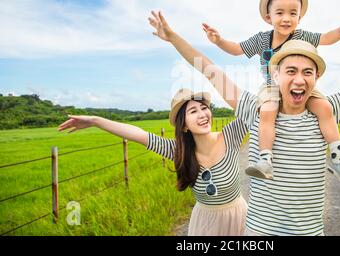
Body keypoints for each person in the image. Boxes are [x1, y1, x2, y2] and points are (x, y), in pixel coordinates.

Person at [148, 9, 340, 235]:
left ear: (316, 79)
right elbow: (209, 69)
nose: (299, 78)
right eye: (290, 70)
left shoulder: (326, 111)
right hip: (260, 232)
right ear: (275, 76)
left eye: (308, 72)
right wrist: (173, 37)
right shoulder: (256, 110)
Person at [202, 0, 340, 183]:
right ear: (269, 17)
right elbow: (236, 49)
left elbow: (326, 38)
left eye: (293, 13)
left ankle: (339, 159)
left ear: (300, 17)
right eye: (280, 13)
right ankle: (265, 159)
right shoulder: (262, 40)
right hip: (272, 86)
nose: (286, 18)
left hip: (302, 85)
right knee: (267, 111)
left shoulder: (302, 36)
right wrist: (218, 41)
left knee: (324, 107)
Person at [58, 88, 249, 236]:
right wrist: (94, 120)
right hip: (205, 223)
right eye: (193, 111)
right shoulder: (178, 151)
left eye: (204, 108)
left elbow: (256, 109)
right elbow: (139, 135)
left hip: (238, 218)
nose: (202, 114)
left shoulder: (230, 135)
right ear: (183, 125)